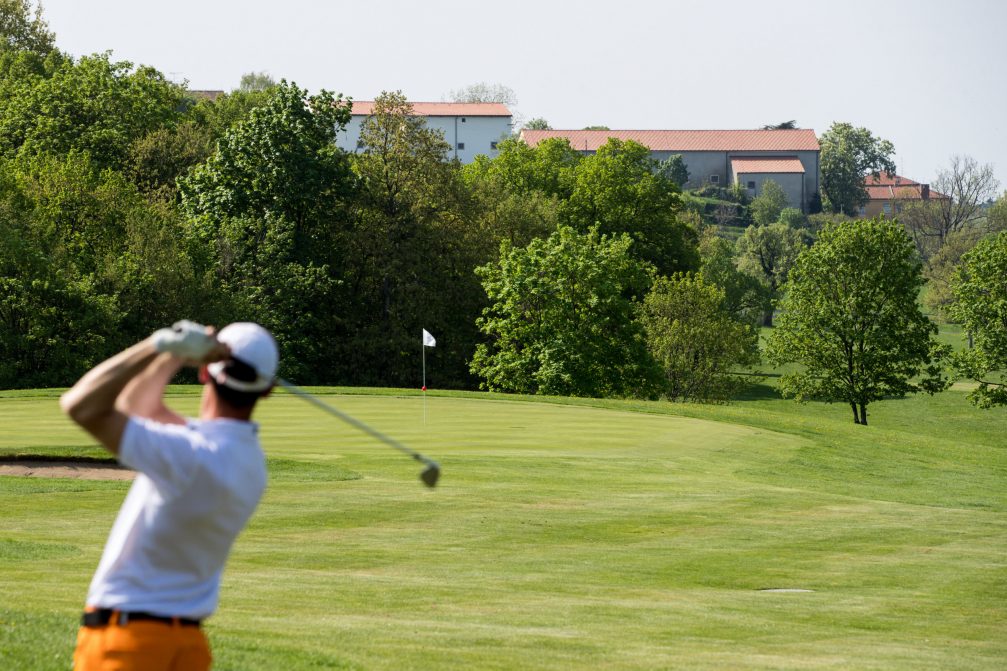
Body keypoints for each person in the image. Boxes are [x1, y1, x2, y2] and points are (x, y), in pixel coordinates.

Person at [60, 320, 279, 671]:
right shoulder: (251, 464)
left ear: (205, 373)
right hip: (188, 646)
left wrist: (161, 346)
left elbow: (80, 404)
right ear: (266, 390)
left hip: (129, 643)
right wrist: (171, 352)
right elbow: (136, 408)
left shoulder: (188, 455)